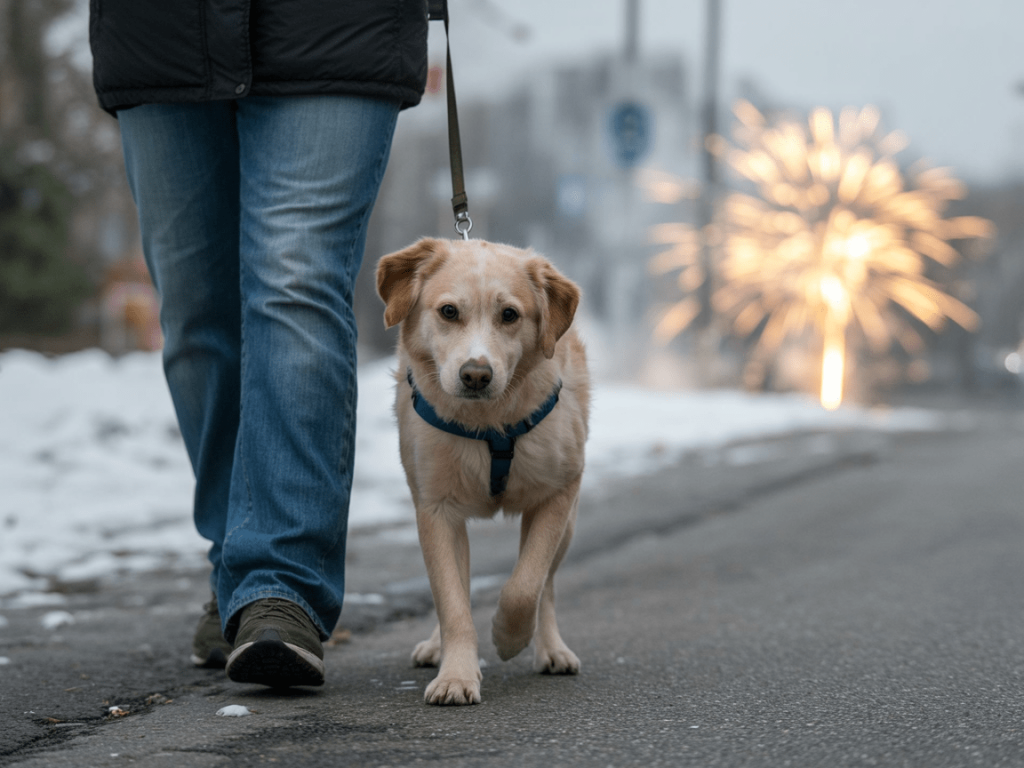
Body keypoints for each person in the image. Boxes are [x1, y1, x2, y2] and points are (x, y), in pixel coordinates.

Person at [89, 1, 429, 687]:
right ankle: (236, 561)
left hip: (337, 24)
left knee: (294, 282)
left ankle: (280, 585)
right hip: (159, 31)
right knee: (196, 311)